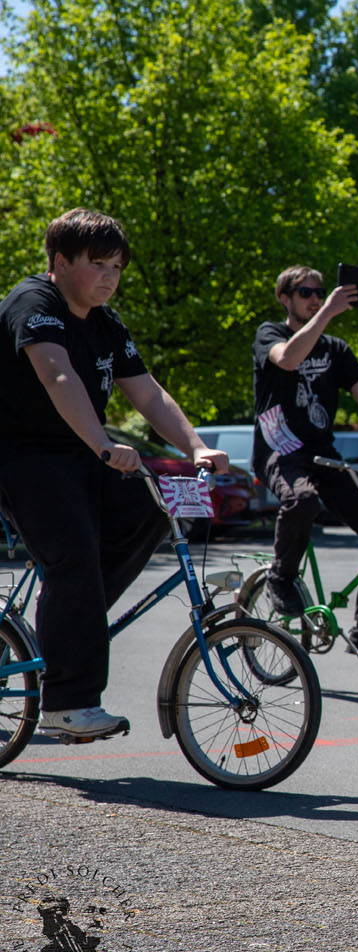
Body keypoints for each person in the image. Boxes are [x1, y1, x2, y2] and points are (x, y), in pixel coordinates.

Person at [0, 208, 228, 739]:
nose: (109, 277)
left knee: (153, 506)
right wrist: (103, 442)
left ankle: (68, 621)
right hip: (20, 456)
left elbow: (146, 391)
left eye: (118, 268)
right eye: (98, 264)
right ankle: (65, 703)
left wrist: (196, 446)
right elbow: (57, 375)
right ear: (59, 261)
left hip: (81, 453)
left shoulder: (106, 322)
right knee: (73, 558)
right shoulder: (34, 303)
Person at [251, 265, 358, 657]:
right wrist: (327, 311)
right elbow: (289, 359)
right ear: (285, 298)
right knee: (303, 500)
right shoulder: (270, 334)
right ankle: (281, 577)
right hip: (280, 450)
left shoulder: (336, 349)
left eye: (320, 292)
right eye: (306, 292)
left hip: (322, 454)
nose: (314, 298)